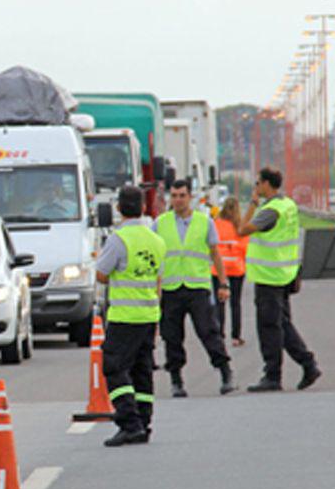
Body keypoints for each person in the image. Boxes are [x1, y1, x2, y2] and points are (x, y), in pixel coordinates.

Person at [240, 167, 323, 393]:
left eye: (258, 183)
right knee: (283, 324)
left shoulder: (271, 210)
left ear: (267, 184)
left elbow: (242, 229)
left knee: (269, 326)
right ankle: (308, 364)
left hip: (269, 276)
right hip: (284, 273)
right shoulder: (288, 205)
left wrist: (253, 203)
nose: (256, 187)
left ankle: (273, 374)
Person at [94, 185, 164, 447]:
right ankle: (144, 423)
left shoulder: (118, 238)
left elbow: (101, 274)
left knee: (115, 368)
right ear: (144, 208)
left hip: (125, 315)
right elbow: (158, 279)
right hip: (148, 314)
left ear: (119, 208)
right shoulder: (156, 240)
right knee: (142, 370)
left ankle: (129, 422)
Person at [156, 180, 234, 397]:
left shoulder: (204, 222)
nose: (178, 200)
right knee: (171, 337)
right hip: (171, 288)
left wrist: (223, 283)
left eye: (182, 195)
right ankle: (176, 380)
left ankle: (225, 372)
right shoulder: (160, 223)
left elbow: (215, 254)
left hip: (197, 286)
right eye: (174, 195)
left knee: (209, 331)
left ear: (190, 197)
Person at [213, 196, 248, 347]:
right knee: (235, 303)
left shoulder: (216, 224)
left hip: (218, 269)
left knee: (219, 302)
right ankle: (236, 336)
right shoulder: (240, 226)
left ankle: (219, 334)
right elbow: (245, 248)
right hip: (236, 267)